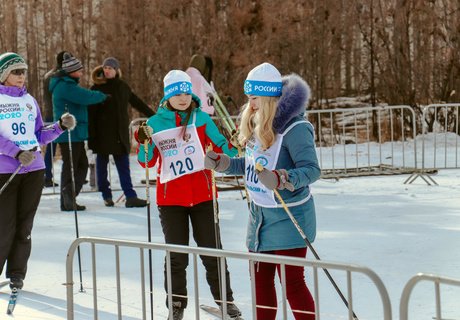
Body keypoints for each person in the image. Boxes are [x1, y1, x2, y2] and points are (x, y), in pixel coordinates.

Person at [204, 62, 321, 320]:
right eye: (249, 98)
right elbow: (252, 166)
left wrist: (282, 178)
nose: (251, 104)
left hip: (290, 217)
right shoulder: (258, 123)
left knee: (292, 284)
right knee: (260, 282)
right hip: (259, 218)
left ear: (268, 97)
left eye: (254, 98)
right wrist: (223, 162)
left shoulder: (296, 128)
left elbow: (312, 170)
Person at [136, 70, 241, 320]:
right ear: (167, 97)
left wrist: (235, 142)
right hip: (171, 200)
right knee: (176, 256)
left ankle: (226, 301)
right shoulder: (154, 123)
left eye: (186, 92)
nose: (183, 98)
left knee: (213, 252)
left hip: (203, 196)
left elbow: (224, 148)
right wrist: (143, 143)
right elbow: (146, 162)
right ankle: (176, 304)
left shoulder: (201, 118)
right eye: (177, 93)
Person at [0, 52, 76, 289]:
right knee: (5, 225)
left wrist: (60, 127)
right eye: (16, 72)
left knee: (25, 226)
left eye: (23, 71)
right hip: (7, 169)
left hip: (33, 169)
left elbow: (39, 134)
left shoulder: (29, 101)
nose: (21, 76)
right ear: (4, 75)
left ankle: (17, 273)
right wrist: (15, 152)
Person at [88, 57, 154, 207]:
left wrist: (154, 115)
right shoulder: (96, 88)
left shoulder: (123, 86)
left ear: (116, 70)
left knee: (124, 167)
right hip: (102, 135)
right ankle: (106, 195)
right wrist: (91, 137)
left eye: (110, 68)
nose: (107, 70)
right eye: (105, 68)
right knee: (102, 169)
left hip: (120, 134)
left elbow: (137, 102)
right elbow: (90, 115)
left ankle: (130, 196)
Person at [49, 52, 108, 211]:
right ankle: (68, 197)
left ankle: (68, 197)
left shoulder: (66, 84)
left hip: (75, 133)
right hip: (70, 133)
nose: (81, 72)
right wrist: (103, 96)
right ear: (70, 71)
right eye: (79, 70)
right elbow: (86, 97)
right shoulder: (65, 86)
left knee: (79, 165)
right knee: (74, 166)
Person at [42, 51, 69, 188]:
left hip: (49, 113)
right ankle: (67, 175)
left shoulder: (48, 75)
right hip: (57, 114)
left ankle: (47, 175)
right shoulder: (59, 76)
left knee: (51, 148)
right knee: (65, 147)